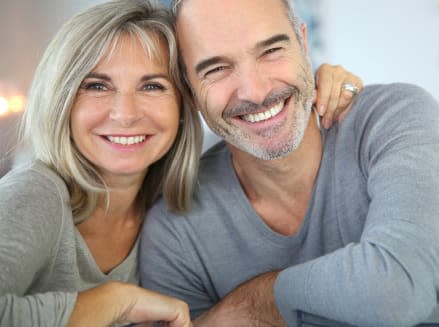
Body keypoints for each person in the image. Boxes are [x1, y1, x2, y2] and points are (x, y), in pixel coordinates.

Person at [139, 0, 439, 326]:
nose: (255, 91)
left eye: (271, 50)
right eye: (216, 69)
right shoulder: (176, 228)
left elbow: (396, 292)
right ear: (189, 92)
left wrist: (255, 302)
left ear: (303, 45)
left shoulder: (394, 118)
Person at [0, 0, 363, 326]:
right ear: (62, 97)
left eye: (152, 86)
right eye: (97, 86)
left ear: (185, 101)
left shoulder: (175, 203)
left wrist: (318, 88)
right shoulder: (36, 195)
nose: (126, 114)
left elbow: (252, 115)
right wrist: (115, 300)